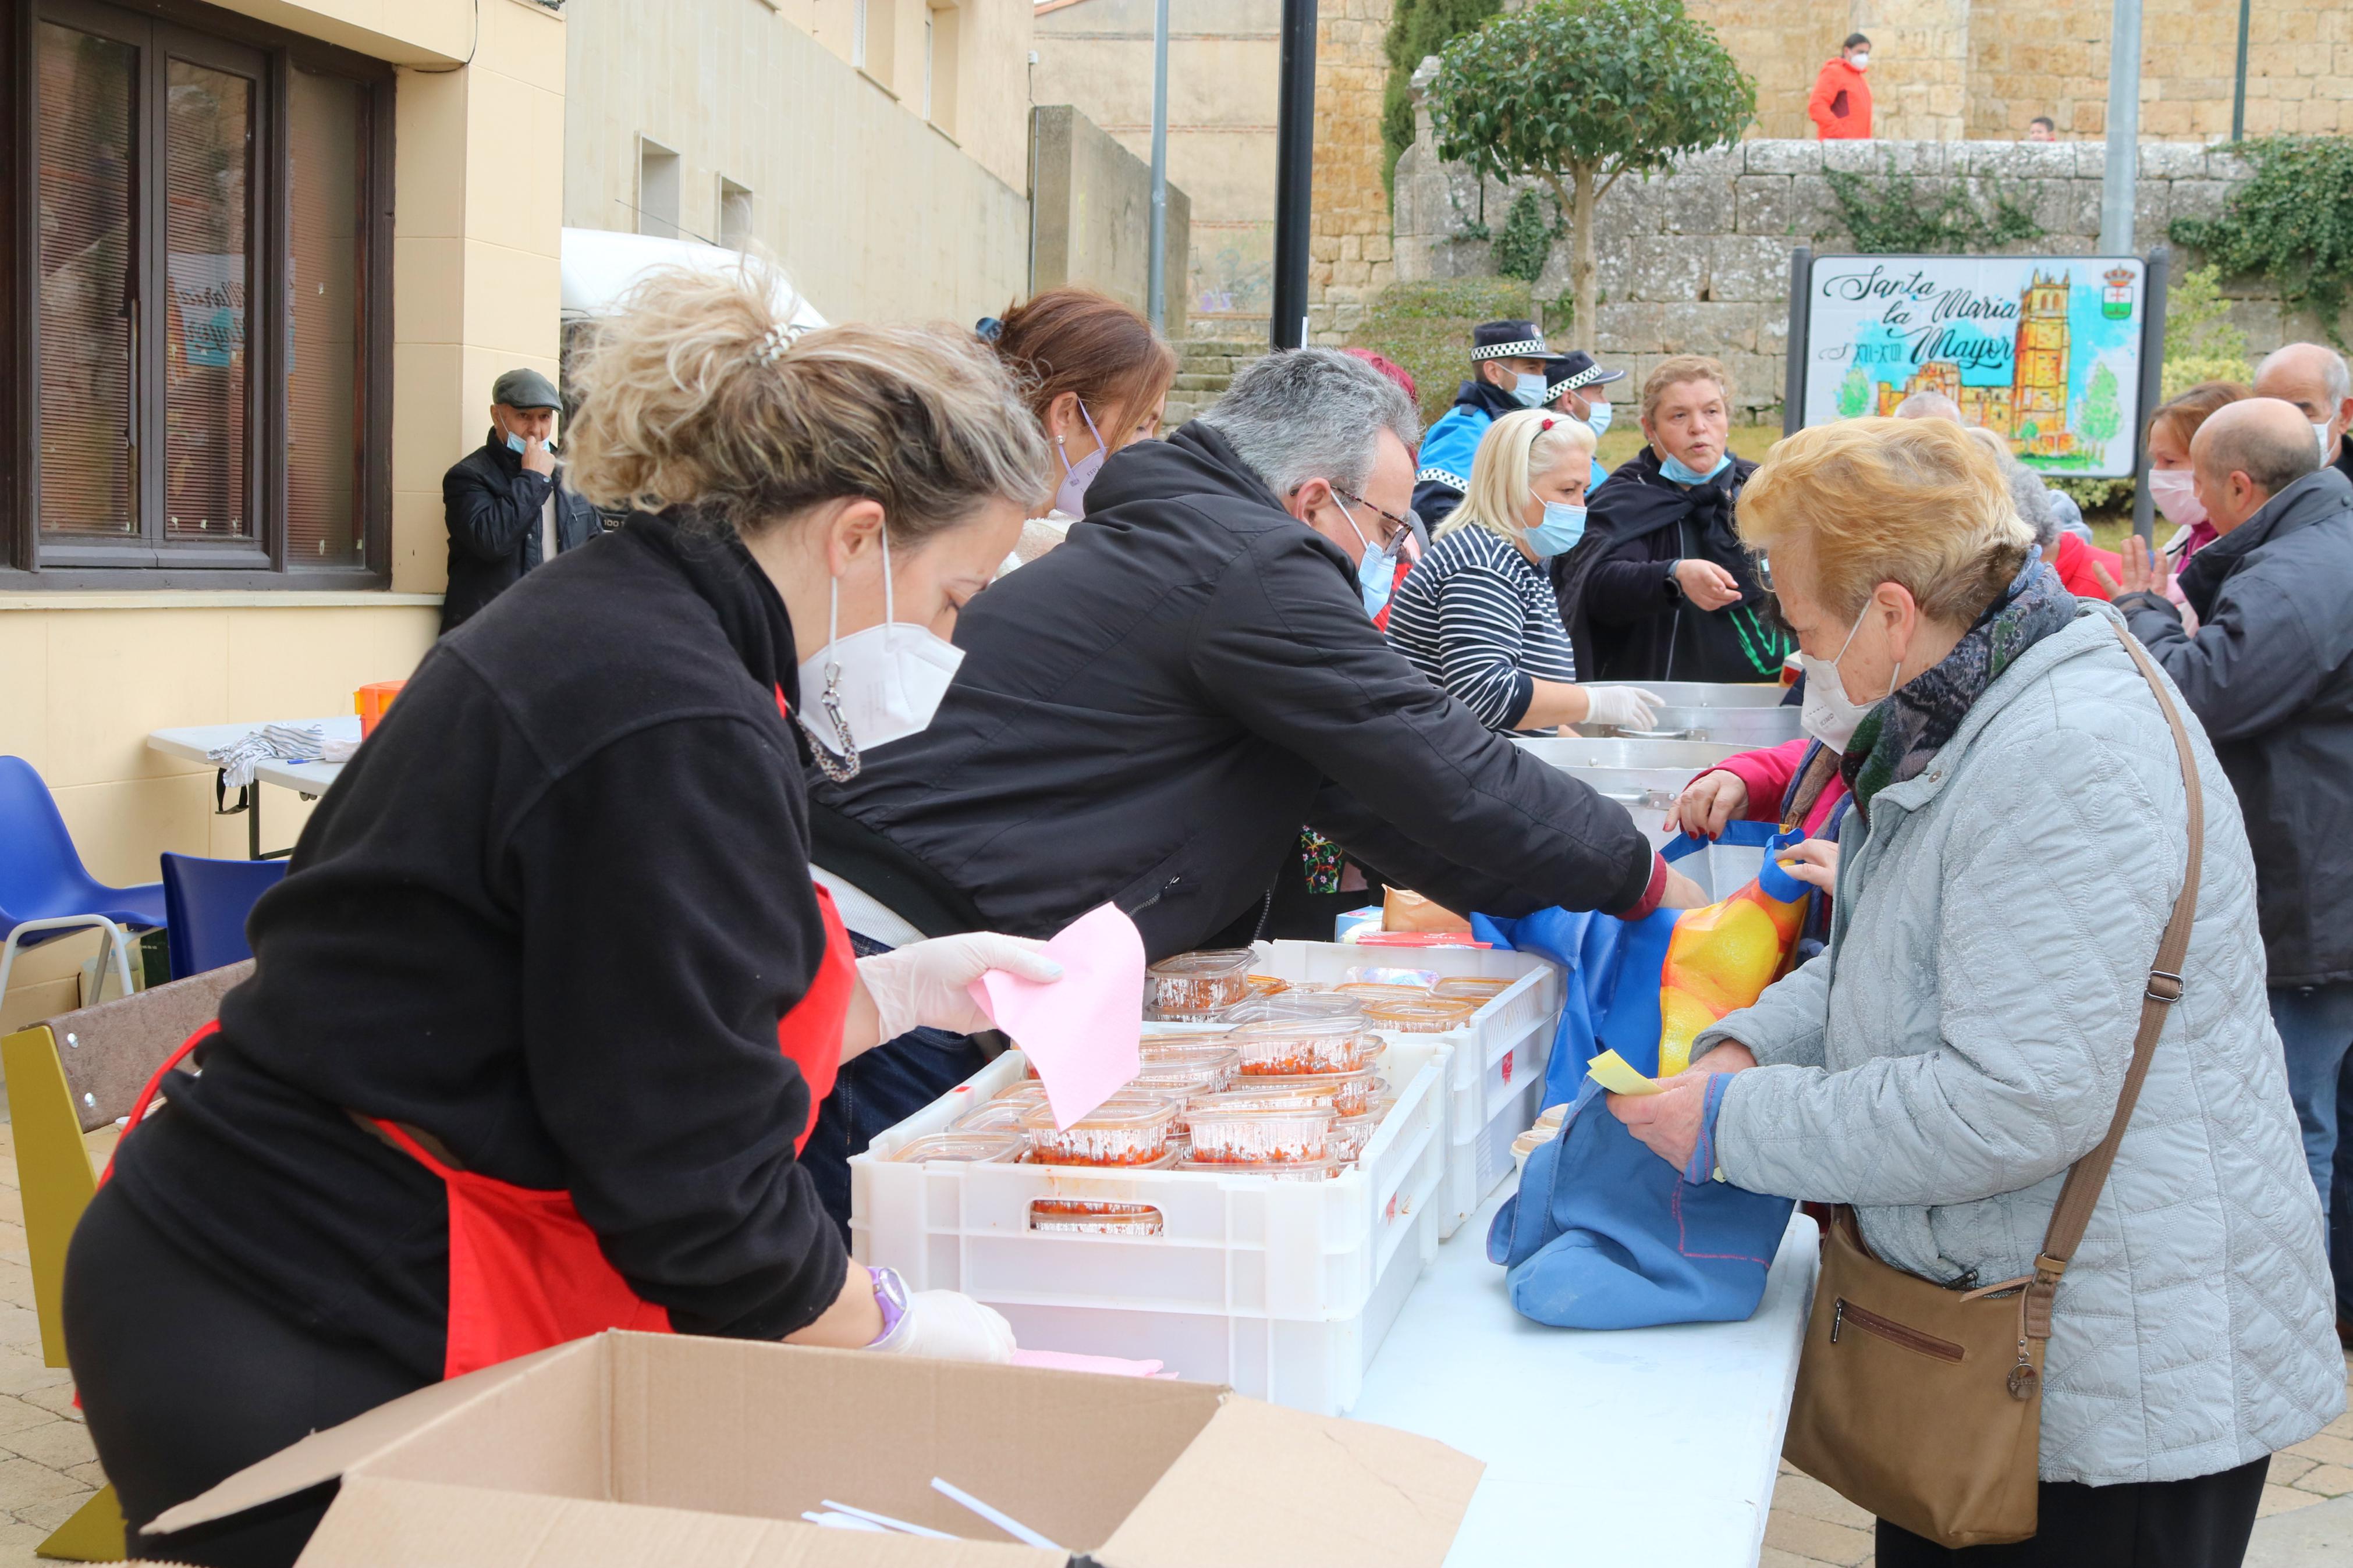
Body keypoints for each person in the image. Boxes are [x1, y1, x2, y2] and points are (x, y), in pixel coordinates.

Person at [65, 271, 1069, 1567]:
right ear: (858, 536)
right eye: (957, 597)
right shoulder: (670, 710)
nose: (948, 639)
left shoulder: (656, 625)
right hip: (299, 1312)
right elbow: (692, 1185)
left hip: (284, 1257)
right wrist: (879, 1326)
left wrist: (900, 992)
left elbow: (636, 996)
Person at [1610, 415, 2344, 1568]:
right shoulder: (1966, 706)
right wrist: (1747, 1048)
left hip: (2109, 1388)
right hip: (2022, 1351)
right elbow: (1895, 961)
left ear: (1893, 610)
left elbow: (2006, 1103)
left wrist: (1729, 1126)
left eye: (1802, 627)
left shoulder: (2057, 750)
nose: (1795, 662)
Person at [804, 349, 1708, 1204]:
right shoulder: (1250, 563)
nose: (1385, 554)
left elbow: (1371, 797)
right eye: (1386, 527)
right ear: (1314, 499)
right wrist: (1637, 872)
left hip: (930, 949)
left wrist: (1560, 891)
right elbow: (1429, 752)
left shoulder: (1194, 542)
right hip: (899, 961)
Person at [2103, 396, 2353, 1355]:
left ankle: (2285, 1327)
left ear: (2239, 487)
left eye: (2195, 482)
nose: (2186, 502)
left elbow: (2202, 692)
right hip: (2317, 870)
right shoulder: (2314, 544)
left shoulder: (2302, 570)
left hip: (2312, 887)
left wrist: (2139, 615)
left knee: (2293, 1119)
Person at [1386, 409, 1660, 735]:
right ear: (1512, 486)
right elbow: (1485, 694)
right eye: (1567, 491)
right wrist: (1591, 702)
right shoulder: (1483, 563)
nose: (1580, 507)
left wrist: (1581, 750)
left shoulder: (1520, 561)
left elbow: (1523, 712)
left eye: (1583, 492)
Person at [1552, 355, 1791, 684]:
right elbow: (1594, 588)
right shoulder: (1627, 497)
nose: (1699, 427)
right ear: (1649, 428)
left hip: (1776, 695)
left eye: (1711, 411)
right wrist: (1673, 575)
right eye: (1679, 416)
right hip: (1664, 702)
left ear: (1727, 419)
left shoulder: (1762, 487)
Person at [980, 288, 1176, 573]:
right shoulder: (1083, 562)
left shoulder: (972, 536)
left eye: (1154, 428)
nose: (1151, 447)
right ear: (1065, 414)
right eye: (1139, 426)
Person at [438, 368, 606, 634]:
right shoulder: (468, 477)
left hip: (560, 631)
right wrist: (533, 477)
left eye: (545, 417)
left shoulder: (572, 476)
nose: (536, 431)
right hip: (491, 635)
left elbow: (595, 555)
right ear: (497, 416)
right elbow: (492, 542)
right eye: (523, 416)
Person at [1411, 319, 1557, 526]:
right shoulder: (1465, 430)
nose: (1541, 379)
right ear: (1494, 372)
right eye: (1532, 368)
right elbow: (1434, 511)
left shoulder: (1502, 425)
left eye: (1543, 370)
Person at [2251, 340, 2353, 488]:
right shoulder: (2235, 486)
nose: (2283, 429)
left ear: (2343, 415)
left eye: (2301, 413)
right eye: (2269, 413)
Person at [1541, 349, 1626, 493]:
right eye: (1599, 393)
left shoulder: (1577, 456)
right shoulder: (1563, 466)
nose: (1606, 402)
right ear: (1569, 400)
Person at [1808, 33, 1873, 141]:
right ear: (1847, 51)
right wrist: (1839, 134)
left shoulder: (1860, 79)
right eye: (1860, 52)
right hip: (1839, 144)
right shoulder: (1834, 72)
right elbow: (1817, 106)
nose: (1864, 57)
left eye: (1867, 53)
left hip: (1858, 145)